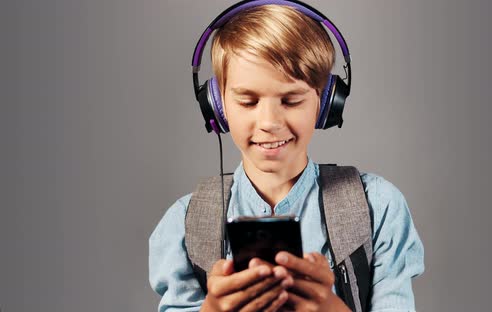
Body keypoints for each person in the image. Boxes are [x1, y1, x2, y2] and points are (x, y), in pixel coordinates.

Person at [149, 2, 424, 311]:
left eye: (291, 100)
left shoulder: (379, 207)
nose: (270, 122)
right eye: (248, 101)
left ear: (325, 103)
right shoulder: (183, 224)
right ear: (218, 106)